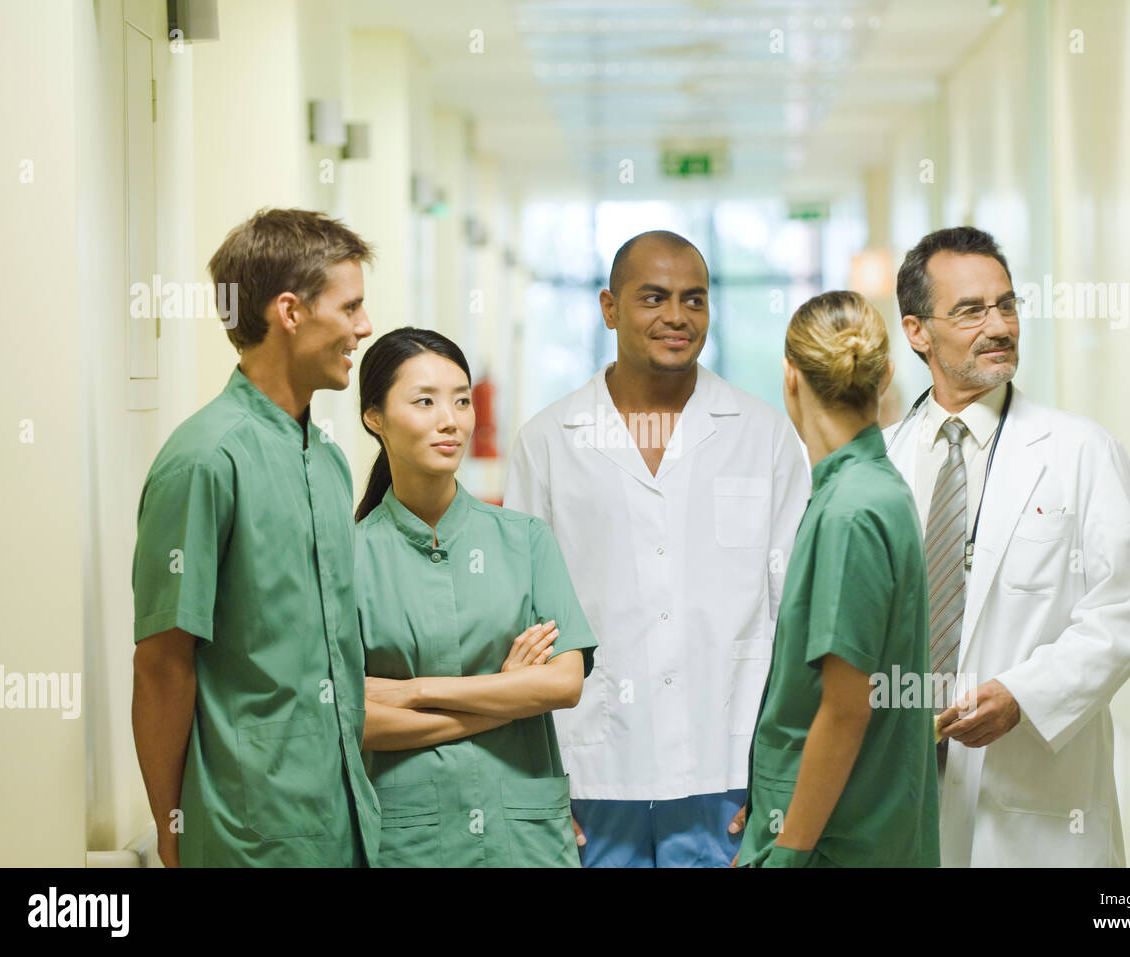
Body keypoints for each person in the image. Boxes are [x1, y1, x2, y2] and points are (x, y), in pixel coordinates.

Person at [504, 230, 811, 867]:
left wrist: (780, 772)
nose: (677, 317)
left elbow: (794, 613)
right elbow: (523, 623)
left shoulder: (766, 436)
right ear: (609, 308)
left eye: (694, 300)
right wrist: (536, 780)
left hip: (727, 769)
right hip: (591, 771)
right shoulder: (548, 442)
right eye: (653, 298)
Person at [886, 225, 1130, 866]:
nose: (1000, 325)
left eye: (1006, 304)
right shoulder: (883, 462)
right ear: (917, 331)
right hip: (904, 787)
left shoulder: (1079, 452)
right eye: (971, 310)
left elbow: (1126, 608)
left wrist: (1025, 695)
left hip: (1034, 800)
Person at [131, 208, 379, 867]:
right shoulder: (205, 460)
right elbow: (161, 664)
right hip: (247, 834)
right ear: (290, 312)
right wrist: (171, 826)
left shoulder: (326, 460)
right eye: (350, 307)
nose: (364, 327)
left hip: (344, 820)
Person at [355, 328, 597, 867]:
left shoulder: (525, 540)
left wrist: (413, 693)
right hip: (409, 841)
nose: (451, 420)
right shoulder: (346, 559)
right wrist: (507, 695)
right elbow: (353, 721)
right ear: (374, 417)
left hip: (524, 840)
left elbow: (564, 681)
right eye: (425, 401)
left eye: (462, 400)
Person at [732, 291, 939, 867]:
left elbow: (846, 710)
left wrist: (787, 852)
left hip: (833, 846)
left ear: (789, 377)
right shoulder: (866, 491)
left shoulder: (851, 511)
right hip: (842, 827)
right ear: (887, 374)